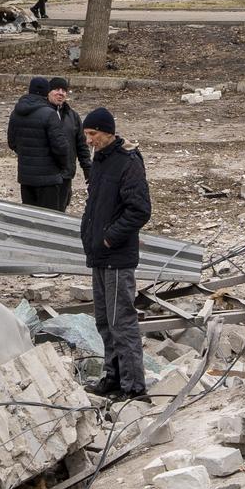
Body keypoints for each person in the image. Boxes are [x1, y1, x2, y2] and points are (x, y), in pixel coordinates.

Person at [80, 107, 150, 400]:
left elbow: (140, 210)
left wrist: (110, 238)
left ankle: (134, 386)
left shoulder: (128, 162)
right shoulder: (100, 160)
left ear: (108, 132)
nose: (89, 141)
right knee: (103, 321)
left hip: (117, 257)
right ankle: (113, 376)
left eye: (93, 135)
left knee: (121, 321)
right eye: (86, 136)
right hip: (98, 254)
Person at [6, 75, 73, 209]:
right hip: (48, 178)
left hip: (26, 177)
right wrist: (62, 166)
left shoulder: (16, 113)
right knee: (48, 221)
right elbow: (60, 147)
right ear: (46, 92)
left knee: (30, 218)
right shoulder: (49, 114)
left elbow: (12, 142)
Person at [48, 77, 88, 210]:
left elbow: (81, 145)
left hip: (66, 174)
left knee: (60, 211)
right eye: (57, 89)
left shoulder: (73, 116)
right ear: (48, 92)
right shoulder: (41, 114)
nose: (61, 93)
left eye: (64, 90)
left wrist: (88, 169)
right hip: (46, 175)